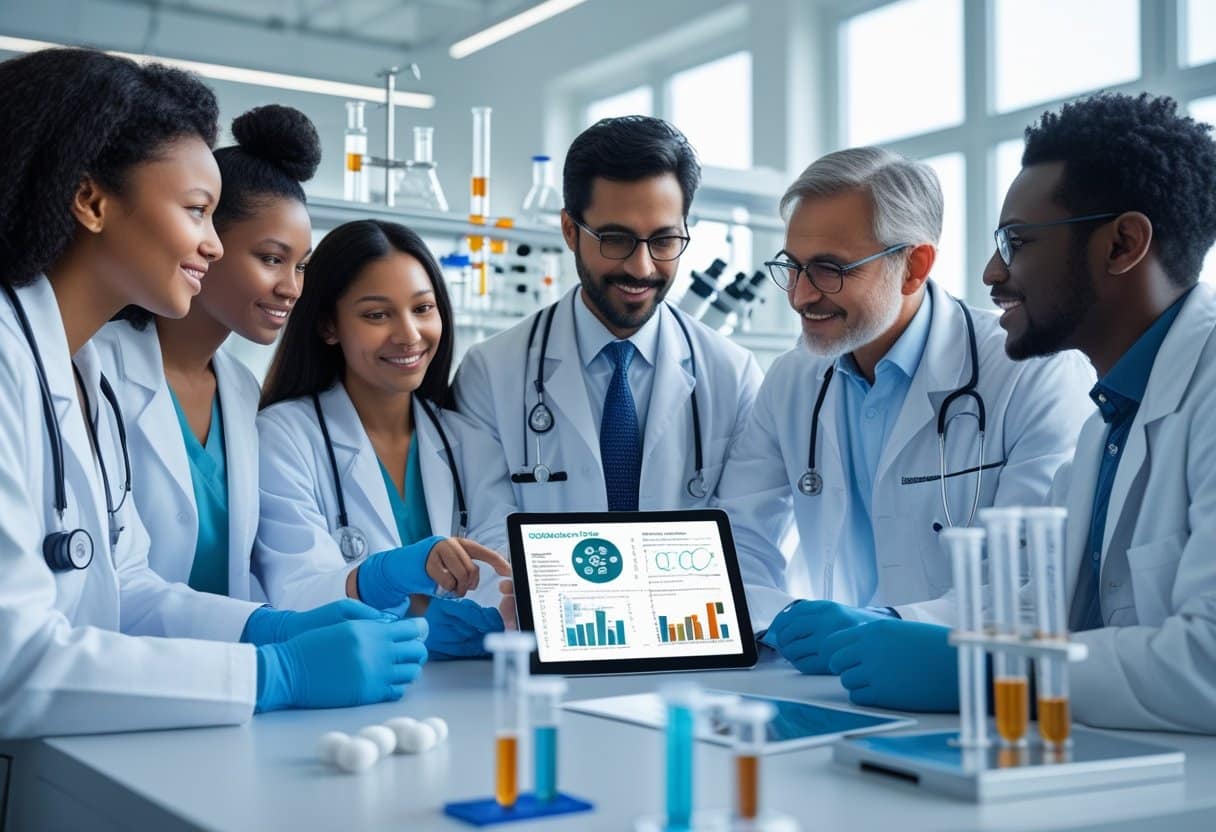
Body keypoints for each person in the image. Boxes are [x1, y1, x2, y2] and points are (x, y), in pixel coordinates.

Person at [0, 49, 427, 738]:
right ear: (91, 200)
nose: (212, 246)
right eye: (198, 212)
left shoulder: (81, 373)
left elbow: (125, 588)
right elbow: (10, 663)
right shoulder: (12, 361)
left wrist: (268, 627)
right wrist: (272, 674)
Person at [823, 93, 1216, 733]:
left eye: (1017, 242)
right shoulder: (1110, 421)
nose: (991, 271)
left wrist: (989, 668)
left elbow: (1208, 662)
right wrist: (896, 628)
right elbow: (1050, 603)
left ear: (1122, 244)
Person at [716, 147, 1094, 673]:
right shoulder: (793, 378)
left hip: (963, 678)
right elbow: (736, 537)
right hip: (828, 678)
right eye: (793, 266)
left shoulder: (1031, 370)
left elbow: (1037, 571)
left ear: (913, 266)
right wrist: (783, 616)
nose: (801, 295)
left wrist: (892, 627)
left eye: (829, 269)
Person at [454, 116, 762, 526]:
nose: (641, 267)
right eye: (616, 239)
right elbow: (486, 533)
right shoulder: (490, 373)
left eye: (664, 240)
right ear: (569, 230)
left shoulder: (733, 374)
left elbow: (749, 536)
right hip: (530, 592)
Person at [256, 219, 516, 657]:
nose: (409, 335)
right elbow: (294, 591)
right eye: (377, 315)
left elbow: (504, 571)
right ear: (328, 326)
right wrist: (398, 596)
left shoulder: (469, 444)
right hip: (345, 690)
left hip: (466, 688)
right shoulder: (283, 437)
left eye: (422, 308)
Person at [94, 104, 318, 602]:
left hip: (227, 665)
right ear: (208, 239)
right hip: (123, 663)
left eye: (301, 266)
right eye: (271, 259)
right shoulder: (96, 367)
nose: (291, 288)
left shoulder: (240, 389)